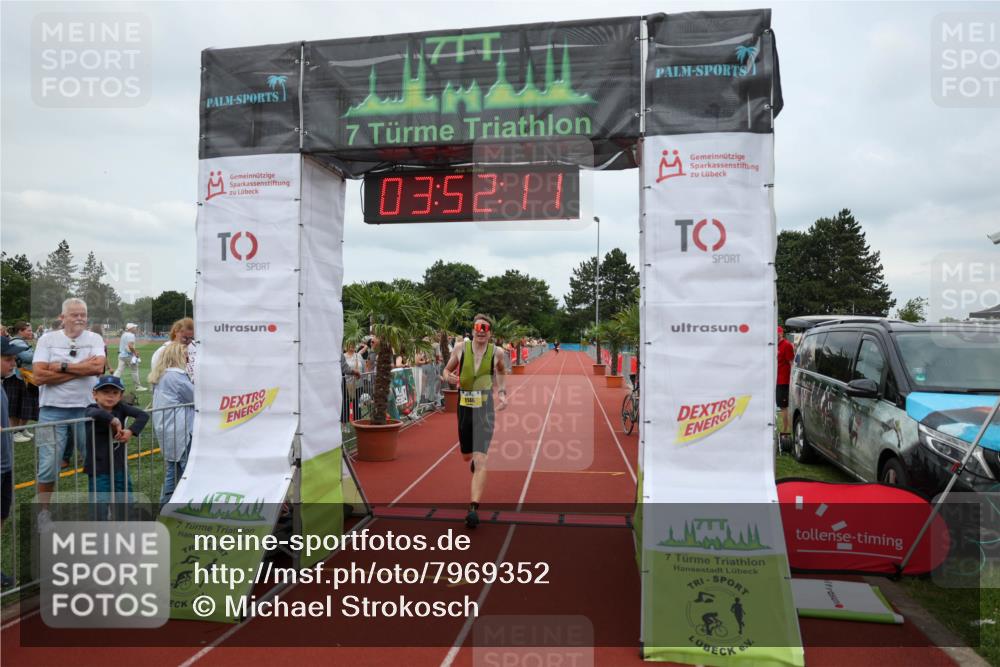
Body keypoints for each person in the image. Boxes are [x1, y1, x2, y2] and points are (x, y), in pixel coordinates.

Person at [31, 298, 107, 528]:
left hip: (87, 410)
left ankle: (100, 511)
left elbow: (98, 368)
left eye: (83, 314)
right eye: (74, 315)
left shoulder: (94, 338)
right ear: (62, 318)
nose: (80, 318)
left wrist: (62, 367)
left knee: (95, 462)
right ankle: (44, 513)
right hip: (52, 411)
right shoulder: (47, 339)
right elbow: (39, 376)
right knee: (48, 465)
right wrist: (82, 369)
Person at [441, 314, 509, 529]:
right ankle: (472, 459)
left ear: (490, 333)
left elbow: (501, 371)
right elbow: (446, 370)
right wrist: (447, 376)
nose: (481, 331)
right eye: (477, 327)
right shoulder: (461, 348)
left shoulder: (497, 352)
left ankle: (473, 509)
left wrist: (502, 393)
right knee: (466, 456)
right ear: (472, 330)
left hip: (485, 408)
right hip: (464, 406)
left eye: (485, 328)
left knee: (481, 460)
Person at [85, 375, 149, 517]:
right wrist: (113, 419)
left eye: (115, 393)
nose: (110, 396)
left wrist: (130, 431)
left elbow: (143, 415)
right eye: (105, 392)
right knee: (99, 503)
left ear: (120, 396)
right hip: (98, 469)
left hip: (119, 467)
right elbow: (94, 413)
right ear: (95, 394)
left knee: (125, 501)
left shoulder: (120, 408)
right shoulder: (91, 410)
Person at [149, 343, 193, 507]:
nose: (188, 358)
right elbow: (196, 397)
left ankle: (164, 507)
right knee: (188, 471)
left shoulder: (162, 375)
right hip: (181, 430)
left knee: (172, 472)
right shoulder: (177, 377)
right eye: (186, 355)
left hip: (167, 429)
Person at [1, 337, 18, 586]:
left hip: (5, 465)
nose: (13, 363)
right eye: (8, 359)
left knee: (2, 515)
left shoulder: (3, 384)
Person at [4, 322, 38, 444]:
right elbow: (28, 357)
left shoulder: (21, 341)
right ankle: (14, 432)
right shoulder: (17, 342)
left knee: (25, 404)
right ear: (20, 331)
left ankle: (21, 429)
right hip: (16, 377)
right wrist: (38, 353)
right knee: (15, 405)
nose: (31, 332)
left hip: (23, 377)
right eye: (28, 330)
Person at [114, 323, 146, 391]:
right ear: (131, 328)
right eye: (134, 327)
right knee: (134, 371)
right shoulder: (131, 335)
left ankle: (112, 383)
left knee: (119, 370)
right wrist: (135, 353)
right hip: (128, 356)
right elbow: (130, 346)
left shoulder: (124, 334)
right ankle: (138, 387)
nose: (136, 329)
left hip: (121, 355)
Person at [776, 326, 795, 438]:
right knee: (780, 405)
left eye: (777, 334)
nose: (776, 336)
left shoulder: (786, 345)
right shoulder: (774, 346)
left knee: (783, 406)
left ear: (781, 334)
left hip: (784, 381)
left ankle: (785, 431)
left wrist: (792, 380)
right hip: (776, 380)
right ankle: (784, 430)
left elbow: (791, 363)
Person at [340, 346, 363, 424]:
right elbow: (343, 369)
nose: (352, 346)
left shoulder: (359, 355)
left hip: (358, 384)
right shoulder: (343, 356)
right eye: (350, 344)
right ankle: (344, 425)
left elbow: (364, 369)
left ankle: (358, 424)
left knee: (357, 405)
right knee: (345, 404)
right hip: (346, 384)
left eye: (353, 344)